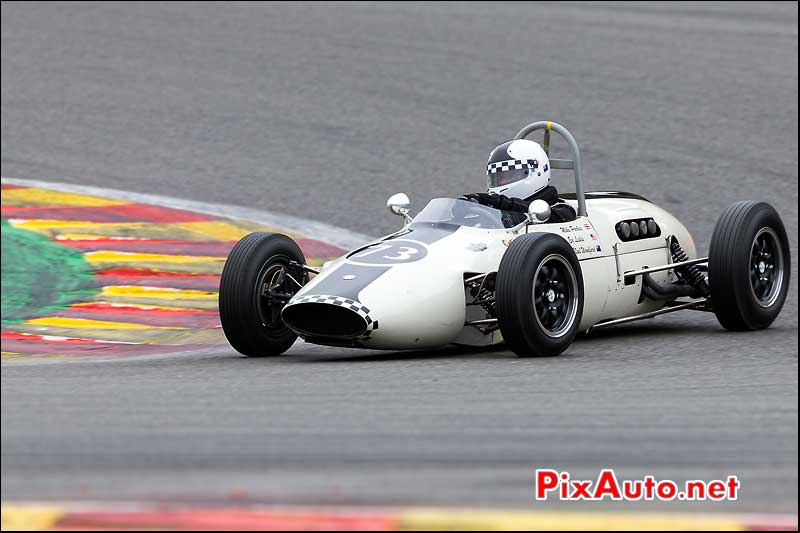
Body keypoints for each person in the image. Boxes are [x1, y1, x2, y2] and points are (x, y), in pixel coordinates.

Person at [463, 139, 576, 223]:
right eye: (497, 177)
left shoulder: (562, 210)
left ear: (535, 172)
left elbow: (524, 214)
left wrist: (492, 201)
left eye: (508, 175)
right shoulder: (494, 211)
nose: (501, 180)